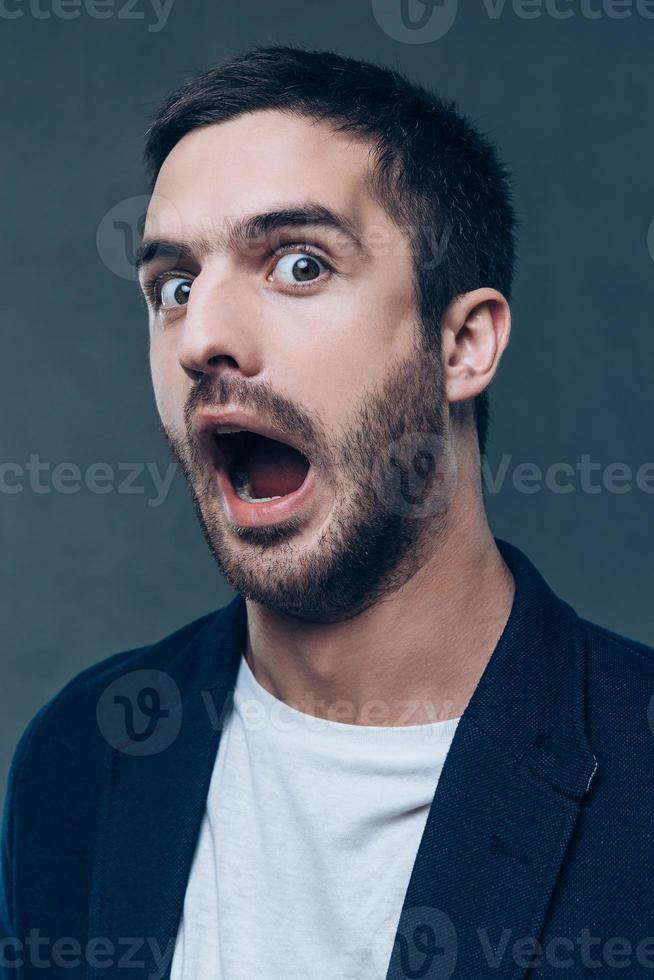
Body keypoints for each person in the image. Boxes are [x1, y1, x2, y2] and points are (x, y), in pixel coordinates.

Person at [2, 46, 653, 980]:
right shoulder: (83, 757)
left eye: (299, 265)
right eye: (174, 286)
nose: (204, 337)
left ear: (463, 345)